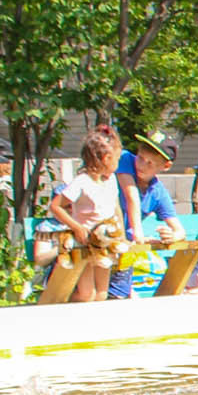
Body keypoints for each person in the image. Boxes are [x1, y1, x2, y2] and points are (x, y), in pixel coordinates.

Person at [45, 125, 125, 303]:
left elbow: (115, 207)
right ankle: (67, 313)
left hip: (105, 242)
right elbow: (56, 206)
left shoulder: (110, 180)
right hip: (85, 243)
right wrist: (76, 227)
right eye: (117, 158)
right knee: (87, 293)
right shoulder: (82, 182)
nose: (118, 163)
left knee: (102, 293)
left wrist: (121, 235)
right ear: (106, 158)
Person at [109, 133, 186, 299]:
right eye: (141, 157)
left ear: (165, 166)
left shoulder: (158, 192)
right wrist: (138, 235)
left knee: (118, 296)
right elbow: (132, 197)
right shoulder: (124, 160)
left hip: (125, 251)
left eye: (150, 163)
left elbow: (180, 231)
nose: (141, 165)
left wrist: (172, 236)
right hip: (105, 242)